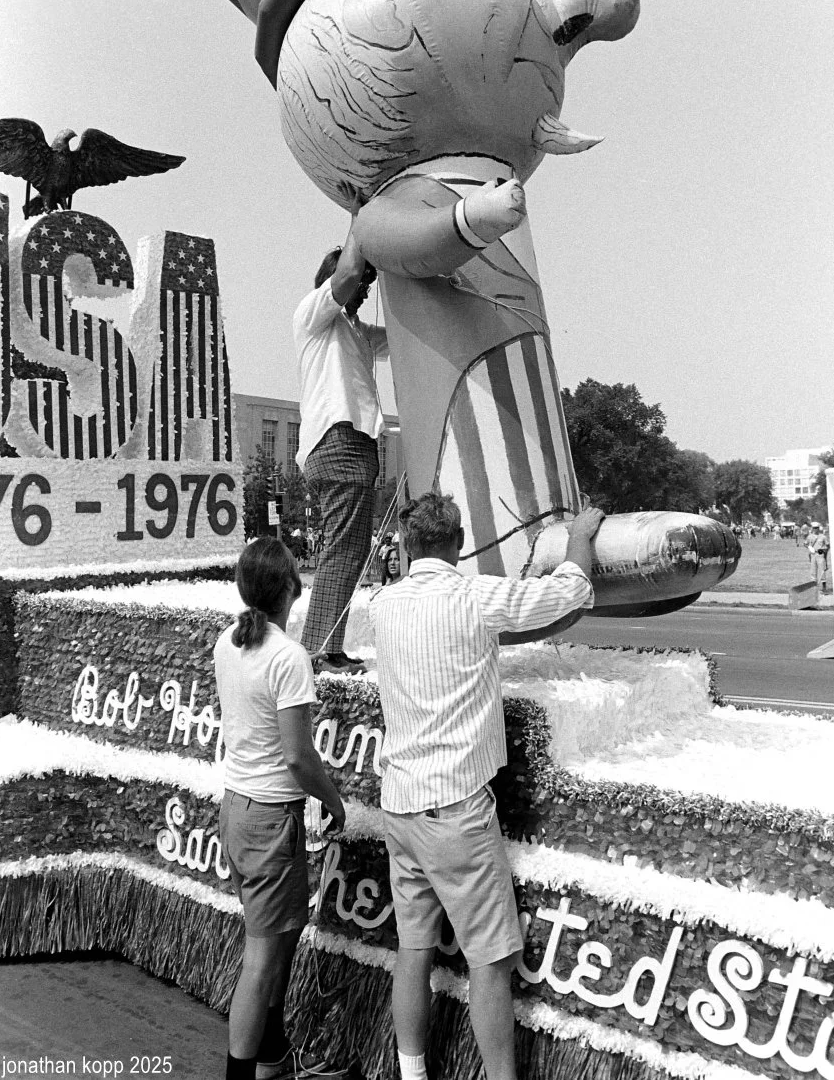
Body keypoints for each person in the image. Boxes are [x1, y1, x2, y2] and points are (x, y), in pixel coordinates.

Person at [370, 491, 603, 1080]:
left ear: (405, 545)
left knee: (414, 949)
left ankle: (411, 1073)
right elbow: (568, 592)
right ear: (457, 544)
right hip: (455, 811)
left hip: (399, 803)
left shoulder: (383, 604)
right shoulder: (474, 594)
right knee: (490, 961)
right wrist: (581, 535)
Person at [214, 537, 348, 1080]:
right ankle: (240, 1072)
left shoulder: (229, 641)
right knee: (262, 959)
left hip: (238, 810)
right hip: (273, 819)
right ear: (290, 588)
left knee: (278, 940)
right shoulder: (288, 657)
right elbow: (298, 755)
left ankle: (272, 1053)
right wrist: (334, 800)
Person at [293, 190, 389, 674]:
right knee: (342, 548)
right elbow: (349, 272)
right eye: (360, 281)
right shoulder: (313, 314)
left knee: (350, 550)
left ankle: (326, 646)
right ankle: (318, 648)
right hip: (338, 439)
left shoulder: (354, 332)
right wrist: (363, 219)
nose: (363, 289)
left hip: (355, 443)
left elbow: (406, 331)